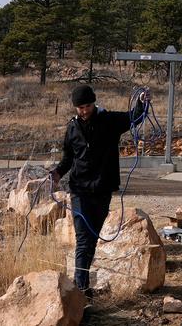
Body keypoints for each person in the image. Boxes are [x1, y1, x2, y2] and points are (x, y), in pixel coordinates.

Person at [51, 84, 147, 298]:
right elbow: (68, 158)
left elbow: (135, 117)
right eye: (80, 107)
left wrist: (142, 101)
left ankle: (82, 287)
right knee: (84, 239)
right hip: (79, 191)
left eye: (87, 106)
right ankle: (81, 291)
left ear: (93, 102)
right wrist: (57, 173)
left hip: (103, 189)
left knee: (92, 239)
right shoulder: (72, 128)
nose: (84, 111)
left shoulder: (110, 120)